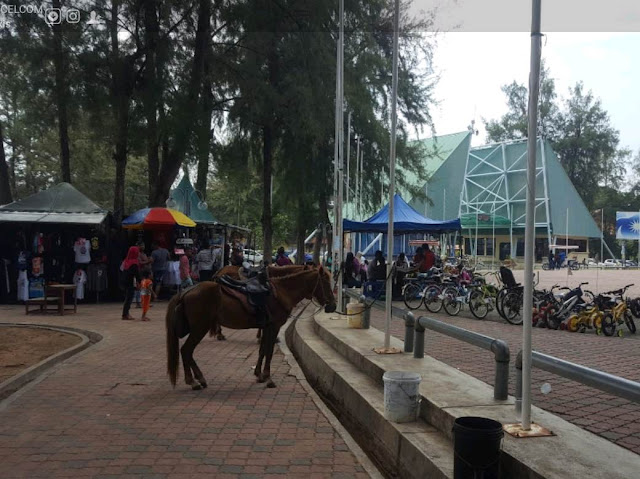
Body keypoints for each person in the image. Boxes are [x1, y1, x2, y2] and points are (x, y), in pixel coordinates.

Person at [121, 246, 141, 320]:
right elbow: (137, 274)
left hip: (124, 281)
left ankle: (125, 313)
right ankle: (125, 314)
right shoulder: (134, 263)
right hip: (130, 282)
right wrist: (140, 282)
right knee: (129, 298)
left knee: (127, 298)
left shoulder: (126, 261)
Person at [135, 243, 152, 308]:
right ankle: (138, 303)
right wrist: (148, 261)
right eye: (141, 245)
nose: (143, 247)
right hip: (140, 272)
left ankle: (145, 302)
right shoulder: (137, 254)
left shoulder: (144, 254)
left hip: (146, 272)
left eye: (143, 245)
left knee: (146, 287)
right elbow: (140, 263)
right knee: (139, 287)